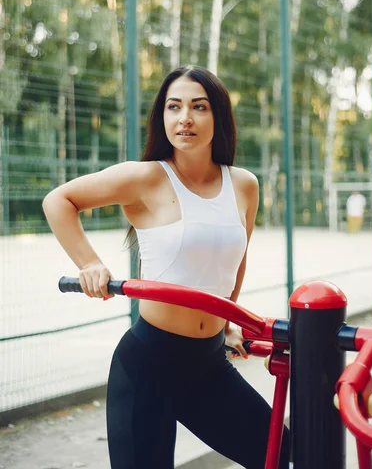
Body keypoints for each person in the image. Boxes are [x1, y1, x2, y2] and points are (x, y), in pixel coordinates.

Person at [42, 65, 290, 469]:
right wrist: (89, 263)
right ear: (162, 117)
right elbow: (59, 201)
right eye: (173, 107)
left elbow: (235, 257)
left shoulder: (244, 184)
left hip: (209, 367)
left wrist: (227, 320)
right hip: (147, 367)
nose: (184, 118)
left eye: (199, 107)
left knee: (283, 457)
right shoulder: (146, 178)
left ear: (219, 118)